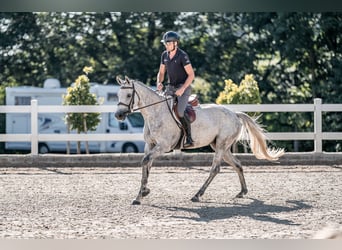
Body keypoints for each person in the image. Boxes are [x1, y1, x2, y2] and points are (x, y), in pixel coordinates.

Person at [156, 31, 195, 148]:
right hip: (170, 88)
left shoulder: (182, 55)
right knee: (162, 109)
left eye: (168, 43)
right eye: (165, 43)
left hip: (184, 87)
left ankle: (189, 137)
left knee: (180, 112)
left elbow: (191, 75)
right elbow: (161, 72)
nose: (166, 45)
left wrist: (182, 89)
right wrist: (159, 82)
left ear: (175, 43)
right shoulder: (164, 55)